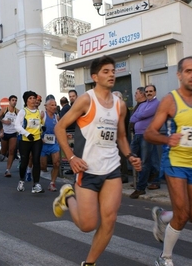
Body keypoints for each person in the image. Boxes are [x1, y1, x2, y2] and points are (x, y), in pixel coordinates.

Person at [53, 55, 141, 266]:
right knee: (87, 225)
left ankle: (89, 263)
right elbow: (60, 127)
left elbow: (120, 136)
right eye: (106, 71)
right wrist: (71, 157)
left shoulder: (120, 105)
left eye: (113, 71)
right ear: (95, 77)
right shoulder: (86, 100)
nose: (111, 74)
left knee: (109, 220)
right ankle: (68, 198)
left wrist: (130, 156)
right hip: (87, 169)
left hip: (111, 169)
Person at [144, 56, 192, 266]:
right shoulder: (171, 100)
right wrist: (167, 138)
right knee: (183, 213)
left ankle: (163, 216)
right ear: (179, 75)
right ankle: (165, 258)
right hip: (175, 163)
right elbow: (150, 133)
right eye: (188, 71)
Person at [129, 85, 161, 198]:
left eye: (151, 91)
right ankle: (143, 179)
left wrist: (139, 116)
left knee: (145, 162)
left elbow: (143, 114)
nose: (148, 93)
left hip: (146, 135)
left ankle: (141, 187)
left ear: (155, 92)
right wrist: (139, 116)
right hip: (137, 135)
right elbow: (132, 118)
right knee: (132, 157)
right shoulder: (143, 104)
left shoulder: (156, 103)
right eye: (147, 91)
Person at [14, 91, 45, 193]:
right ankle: (21, 181)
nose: (33, 100)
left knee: (36, 161)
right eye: (30, 98)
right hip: (25, 140)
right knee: (24, 162)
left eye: (34, 98)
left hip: (37, 139)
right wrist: (27, 134)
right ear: (26, 100)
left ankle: (36, 184)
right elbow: (17, 125)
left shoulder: (38, 112)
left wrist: (42, 128)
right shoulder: (23, 112)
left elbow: (39, 124)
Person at [40, 95, 60, 191]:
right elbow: (36, 128)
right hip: (43, 144)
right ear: (46, 106)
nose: (54, 106)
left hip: (53, 143)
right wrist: (40, 138)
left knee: (56, 163)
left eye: (55, 105)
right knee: (43, 167)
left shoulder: (57, 117)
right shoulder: (42, 115)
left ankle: (52, 183)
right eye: (52, 105)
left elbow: (60, 128)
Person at [0, 95, 19, 177]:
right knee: (3, 151)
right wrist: (3, 121)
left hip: (13, 133)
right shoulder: (4, 110)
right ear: (9, 101)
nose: (14, 102)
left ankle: (8, 170)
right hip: (5, 133)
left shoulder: (17, 111)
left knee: (12, 150)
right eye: (13, 100)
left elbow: (21, 121)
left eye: (15, 100)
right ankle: (2, 154)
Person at [112, 91, 131, 183]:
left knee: (122, 157)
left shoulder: (123, 108)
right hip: (113, 138)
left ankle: (123, 176)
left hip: (121, 137)